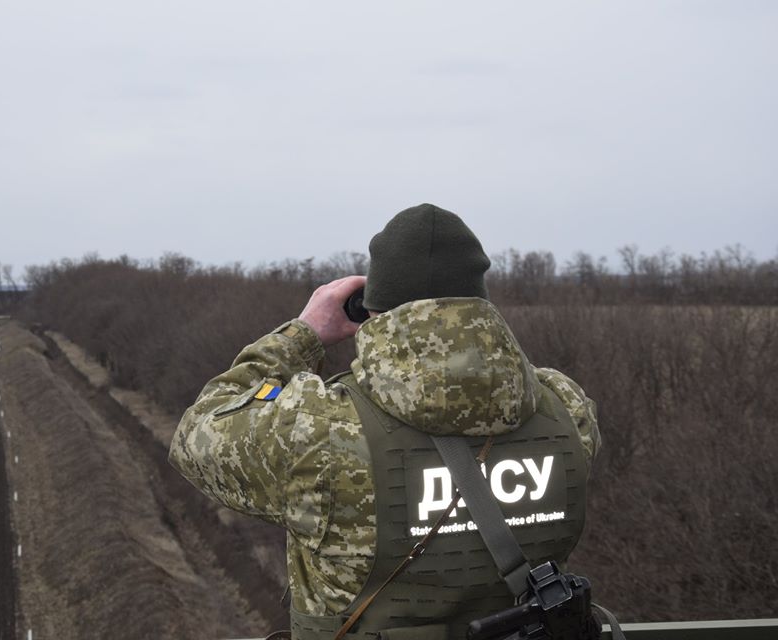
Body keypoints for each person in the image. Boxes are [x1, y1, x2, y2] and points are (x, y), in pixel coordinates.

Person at [169, 203, 600, 639]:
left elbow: (195, 435)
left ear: (372, 310)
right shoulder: (568, 409)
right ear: (479, 303)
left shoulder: (319, 432)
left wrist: (303, 334)